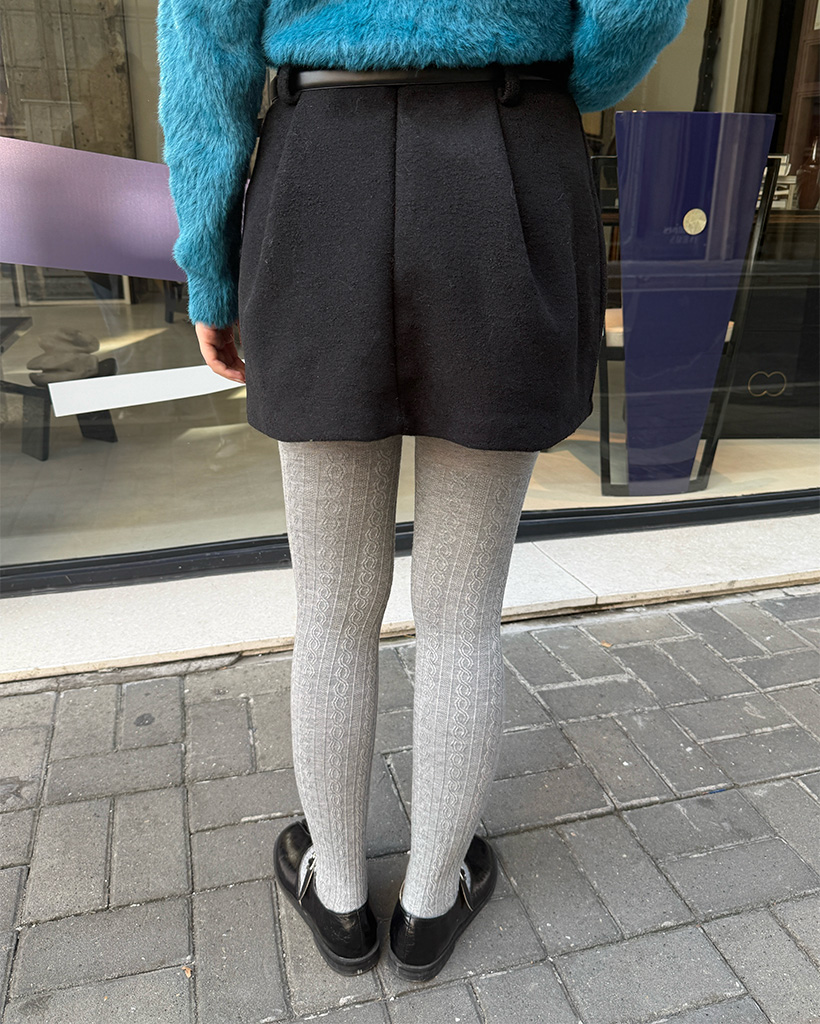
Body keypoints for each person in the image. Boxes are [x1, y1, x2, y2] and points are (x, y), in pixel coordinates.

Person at [156, 0, 690, 982]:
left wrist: (210, 269)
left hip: (321, 171)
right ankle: (431, 904)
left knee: (330, 605)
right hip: (507, 161)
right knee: (460, 610)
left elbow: (203, 45)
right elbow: (639, 7)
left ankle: (339, 896)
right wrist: (558, 77)